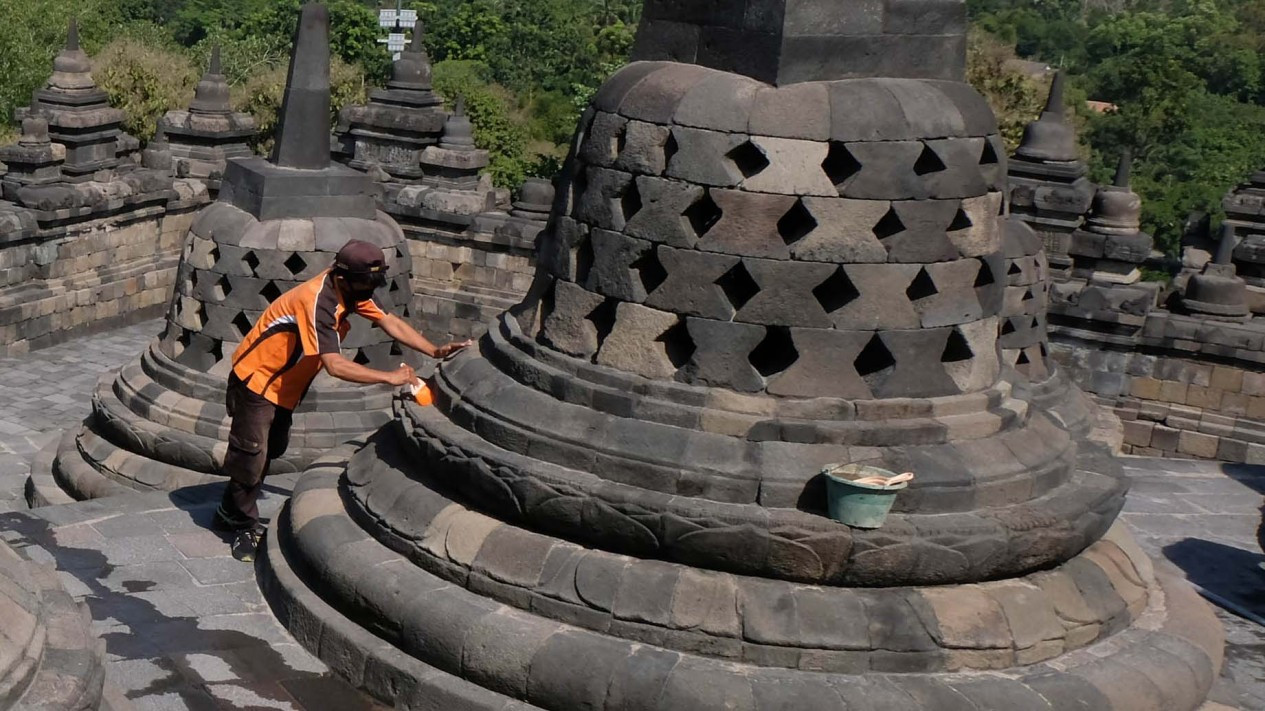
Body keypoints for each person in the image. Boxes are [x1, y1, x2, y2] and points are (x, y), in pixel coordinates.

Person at [215, 239, 472, 560]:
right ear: (341, 276)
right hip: (258, 380)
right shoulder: (316, 301)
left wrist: (435, 350)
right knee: (251, 455)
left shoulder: (352, 290)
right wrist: (389, 378)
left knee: (273, 447)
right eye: (365, 283)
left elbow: (388, 321)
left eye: (373, 283)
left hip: (285, 386)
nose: (369, 290)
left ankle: (230, 506)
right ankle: (242, 525)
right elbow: (334, 365)